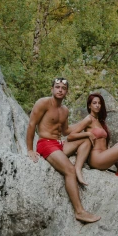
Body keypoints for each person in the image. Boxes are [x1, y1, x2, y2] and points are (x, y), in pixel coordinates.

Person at [26, 78, 101, 223]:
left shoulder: (64, 110)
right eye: (57, 87)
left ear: (67, 92)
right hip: (45, 144)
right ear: (52, 89)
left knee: (86, 140)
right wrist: (29, 149)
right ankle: (79, 212)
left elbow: (66, 131)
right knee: (69, 170)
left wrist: (85, 126)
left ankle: (78, 169)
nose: (60, 90)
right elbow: (31, 124)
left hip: (59, 144)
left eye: (63, 88)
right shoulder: (43, 103)